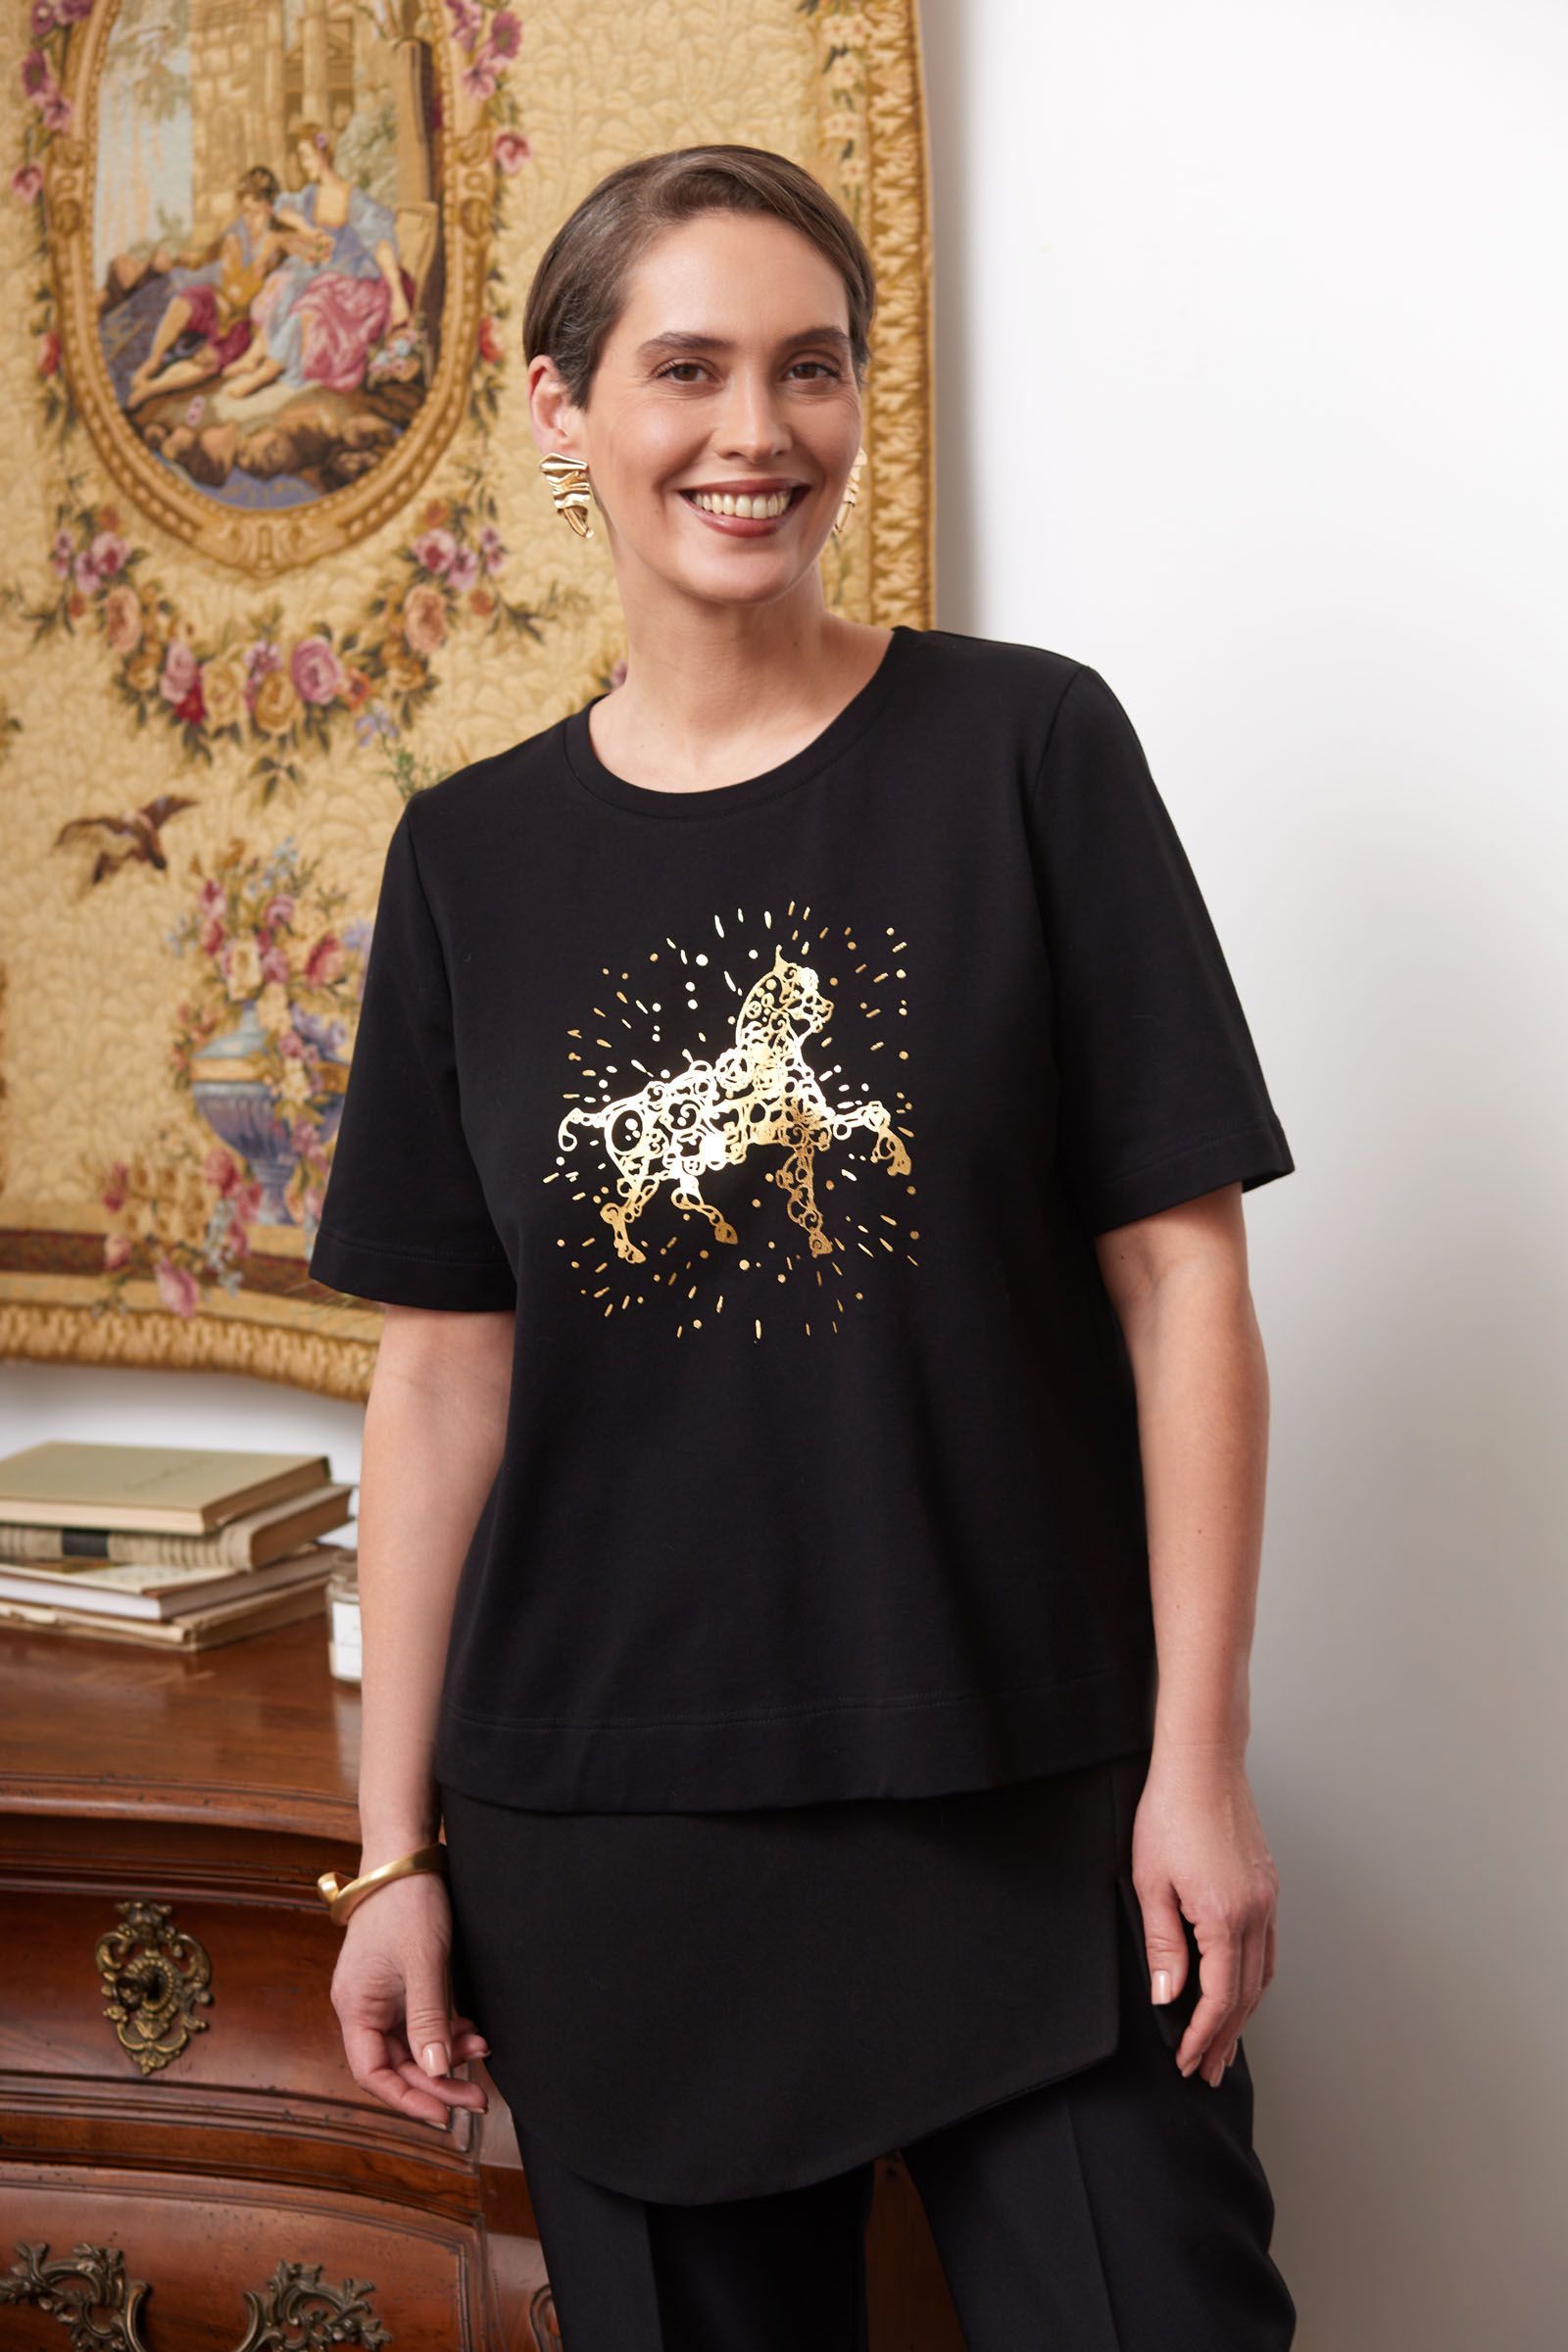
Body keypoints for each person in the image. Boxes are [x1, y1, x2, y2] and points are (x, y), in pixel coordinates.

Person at [310, 143, 1298, 2349]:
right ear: (562, 409)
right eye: (685, 369)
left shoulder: (1029, 751)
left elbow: (1184, 1284)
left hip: (1039, 1805)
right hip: (612, 1850)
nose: (754, 431)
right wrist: (391, 1855)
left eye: (809, 367)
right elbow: (443, 1376)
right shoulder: (467, 861)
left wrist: (1200, 1765)